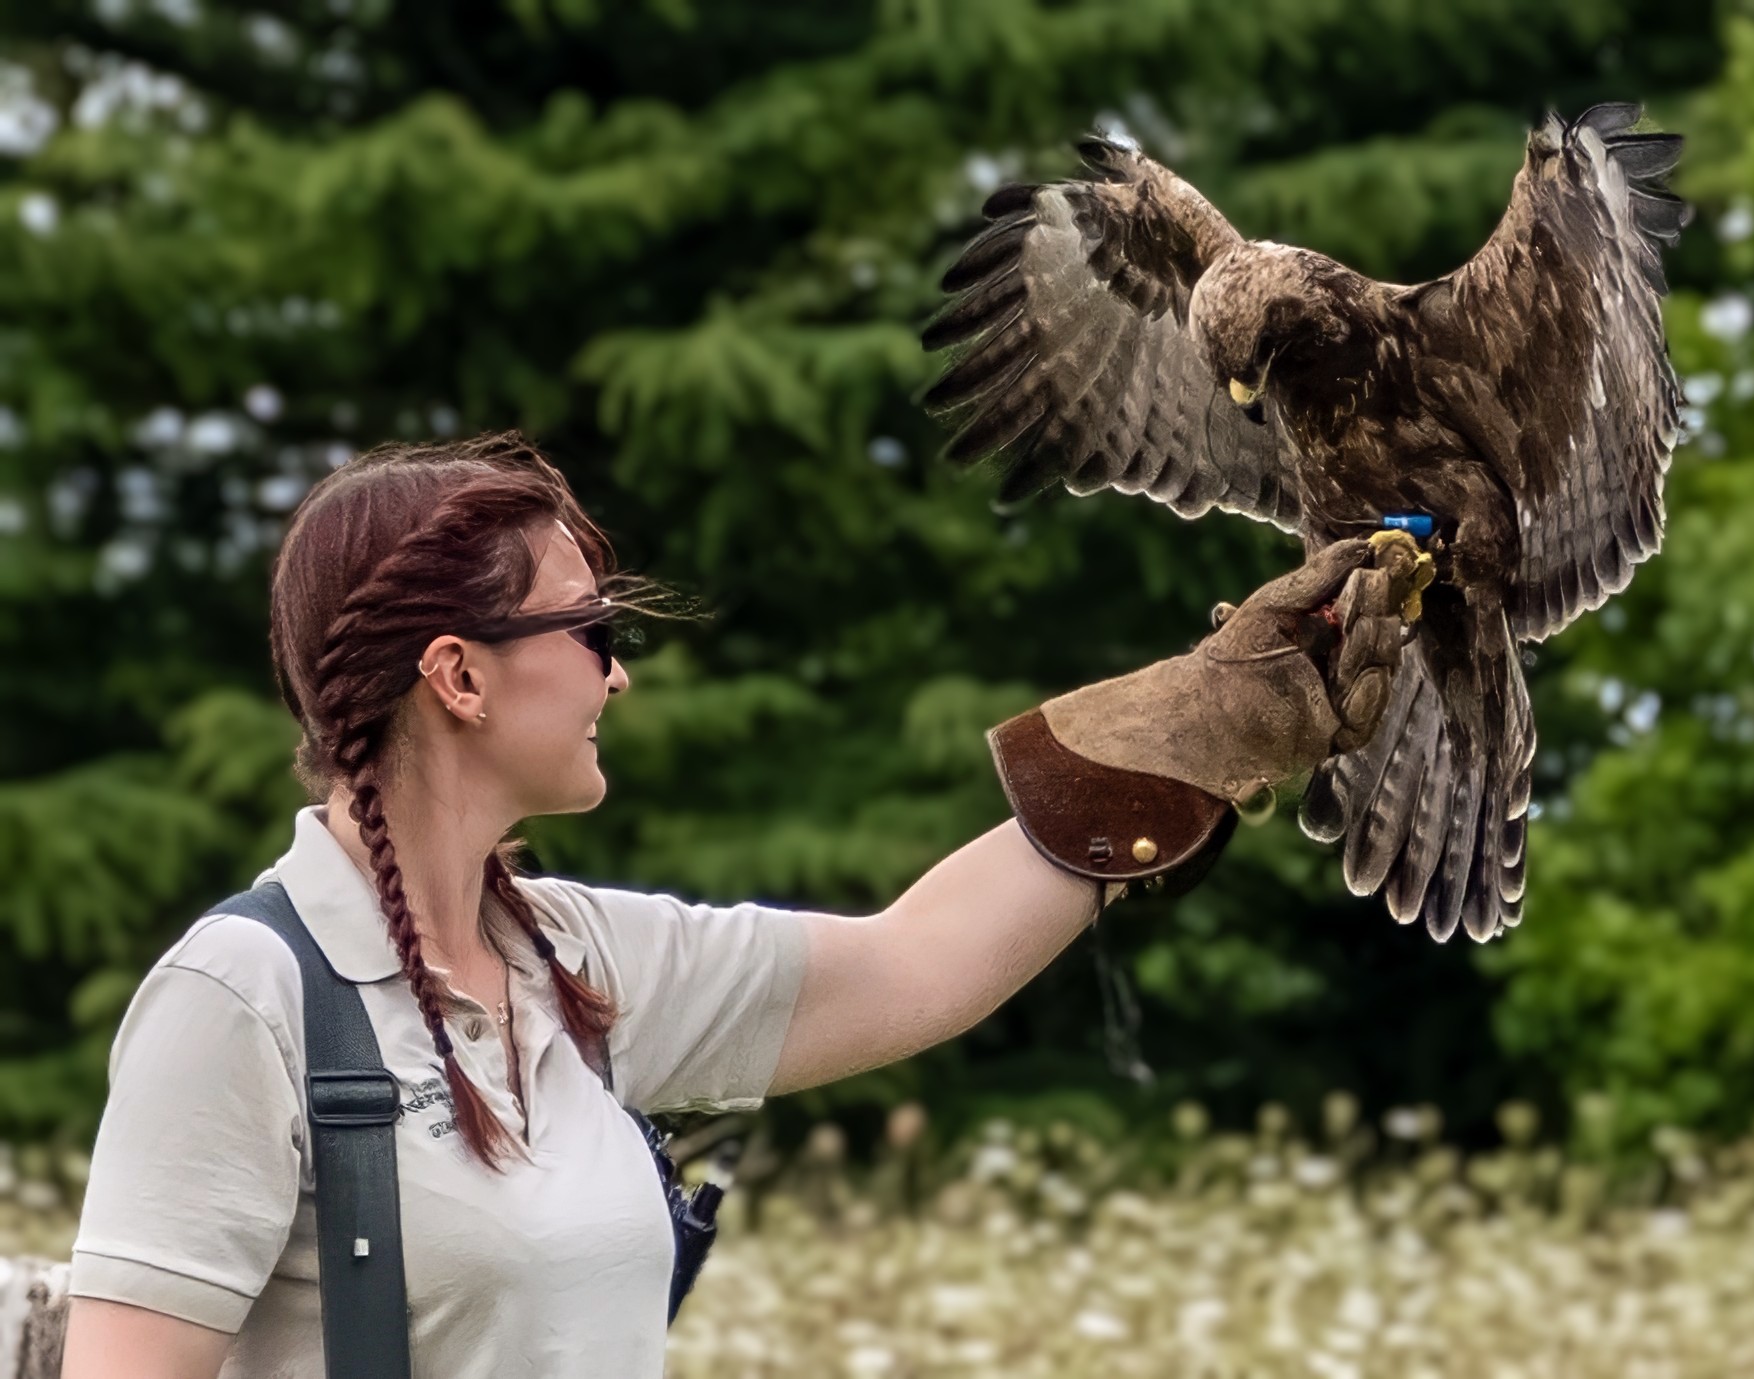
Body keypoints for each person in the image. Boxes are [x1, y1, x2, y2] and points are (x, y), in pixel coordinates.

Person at [57, 432, 1421, 1379]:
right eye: (594, 632)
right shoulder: (244, 1001)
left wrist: (1211, 725)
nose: (618, 675)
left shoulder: (574, 961)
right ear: (460, 677)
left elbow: (914, 965)